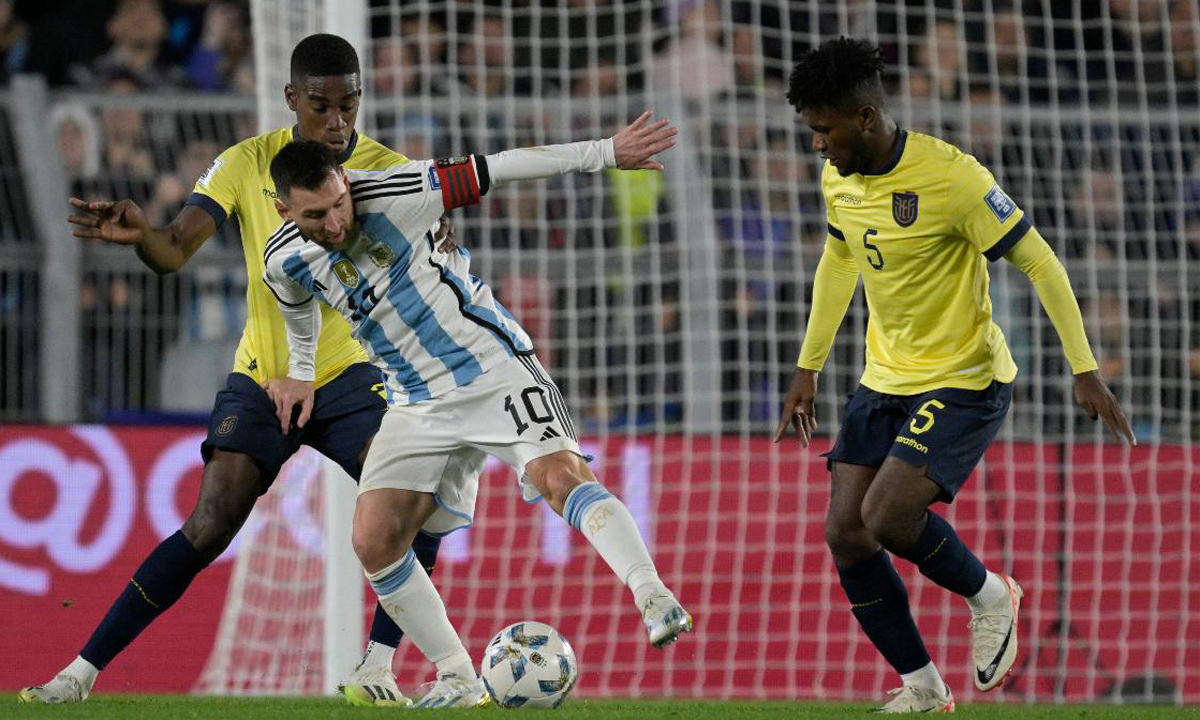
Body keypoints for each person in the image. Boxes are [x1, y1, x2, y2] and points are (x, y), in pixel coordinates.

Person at [20, 34, 448, 708]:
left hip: (351, 375)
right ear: (290, 100)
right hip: (262, 374)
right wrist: (144, 239)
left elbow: (431, 250)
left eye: (348, 105)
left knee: (419, 507)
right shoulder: (245, 163)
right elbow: (176, 247)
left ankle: (377, 666)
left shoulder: (383, 168)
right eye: (320, 106)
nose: (336, 122)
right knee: (210, 524)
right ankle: (79, 673)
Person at [261, 115, 691, 708]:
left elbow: (502, 165)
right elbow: (295, 306)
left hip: (490, 367)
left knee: (559, 476)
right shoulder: (282, 259)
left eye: (339, 202)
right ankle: (460, 676)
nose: (336, 222)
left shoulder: (402, 190)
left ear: (344, 182)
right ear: (285, 213)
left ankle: (653, 595)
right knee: (374, 539)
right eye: (317, 216)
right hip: (414, 400)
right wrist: (303, 371)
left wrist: (604, 152)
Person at [772, 38, 1136, 714]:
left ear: (867, 118)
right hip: (885, 375)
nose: (818, 144)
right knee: (845, 532)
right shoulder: (838, 179)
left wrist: (1084, 368)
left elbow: (1040, 262)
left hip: (965, 378)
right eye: (812, 130)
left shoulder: (952, 177)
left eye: (825, 129)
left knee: (885, 516)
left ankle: (991, 595)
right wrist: (808, 367)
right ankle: (923, 687)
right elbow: (839, 261)